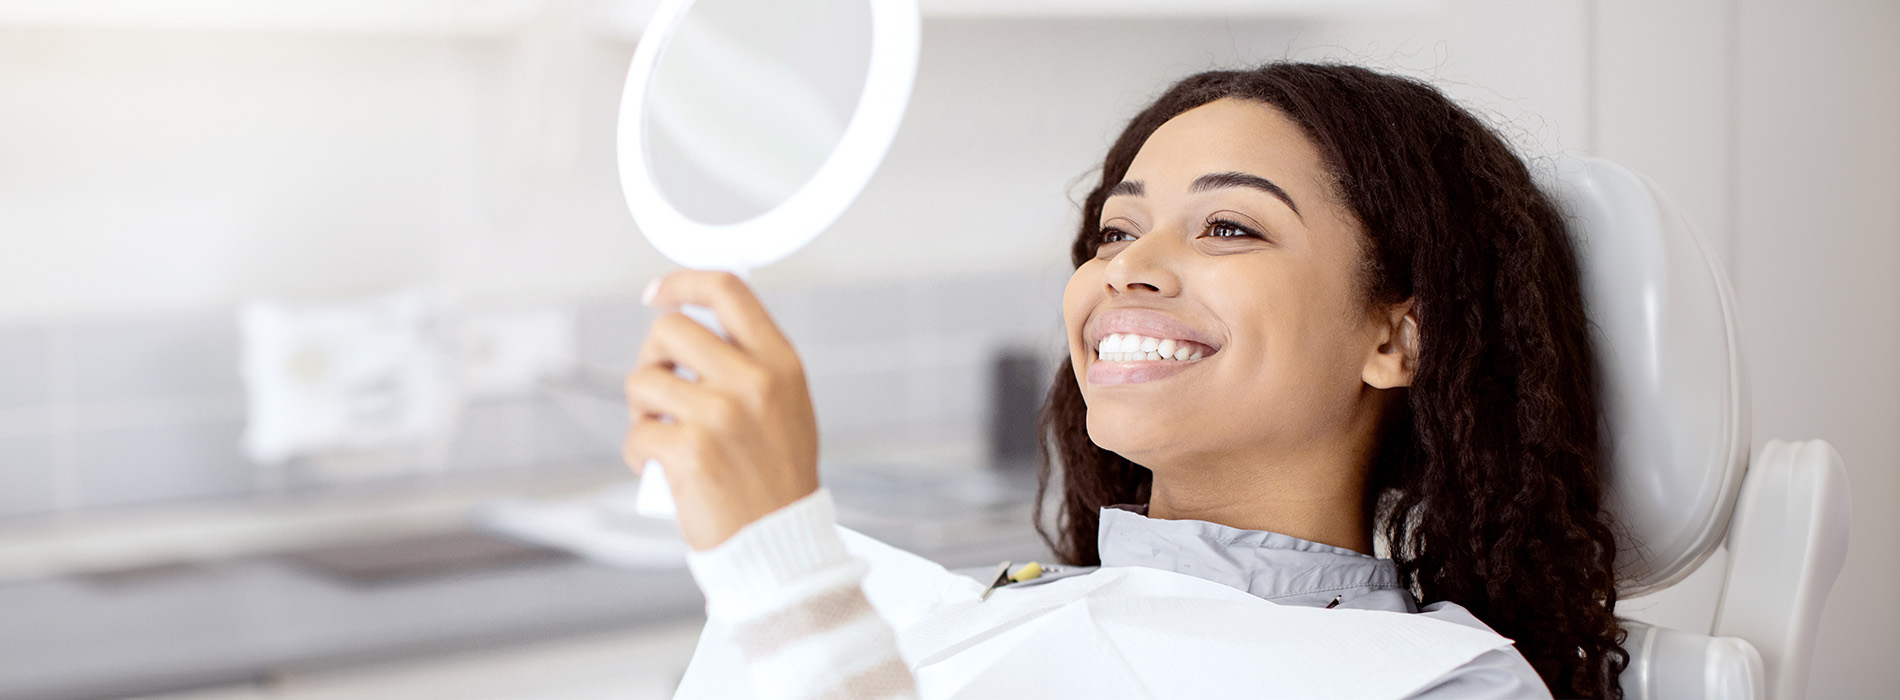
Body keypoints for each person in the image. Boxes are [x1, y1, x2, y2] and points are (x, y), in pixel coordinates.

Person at [623, 62, 1627, 700]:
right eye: (1114, 229)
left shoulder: (1437, 685)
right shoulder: (982, 616)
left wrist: (789, 582)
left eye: (1229, 225)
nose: (1126, 268)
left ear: (1395, 339)